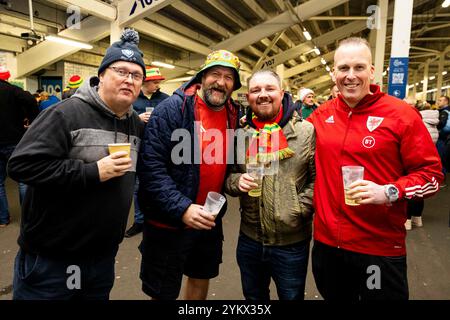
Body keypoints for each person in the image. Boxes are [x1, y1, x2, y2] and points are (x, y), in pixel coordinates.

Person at [7, 28, 145, 300]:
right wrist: (93, 171)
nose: (128, 79)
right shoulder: (65, 114)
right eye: (120, 71)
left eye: (136, 75)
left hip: (102, 258)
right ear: (102, 74)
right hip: (52, 261)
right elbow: (21, 165)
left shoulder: (134, 125)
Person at [307, 37, 443, 300]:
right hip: (327, 246)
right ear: (333, 72)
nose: (350, 76)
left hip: (377, 249)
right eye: (343, 68)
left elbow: (432, 177)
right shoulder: (320, 115)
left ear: (372, 71)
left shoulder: (401, 115)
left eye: (359, 67)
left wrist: (390, 191)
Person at [137, 49, 242, 300]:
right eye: (215, 74)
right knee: (163, 289)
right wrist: (183, 208)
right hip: (169, 219)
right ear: (202, 77)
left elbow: (228, 164)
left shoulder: (232, 114)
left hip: (208, 217)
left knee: (200, 276)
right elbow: (151, 167)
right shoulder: (172, 109)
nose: (221, 82)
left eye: (229, 77)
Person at [224, 70, 315, 300]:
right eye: (256, 90)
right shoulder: (241, 135)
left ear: (281, 93)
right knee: (254, 300)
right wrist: (237, 182)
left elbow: (317, 180)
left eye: (269, 89)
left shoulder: (305, 132)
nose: (262, 95)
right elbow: (228, 176)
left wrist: (299, 209)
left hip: (291, 243)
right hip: (250, 240)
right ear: (249, 96)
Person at [125, 66, 170, 238]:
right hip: (138, 146)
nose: (158, 85)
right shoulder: (132, 98)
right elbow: (120, 117)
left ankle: (159, 218)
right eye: (156, 82)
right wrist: (137, 117)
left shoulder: (166, 99)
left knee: (161, 183)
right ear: (146, 82)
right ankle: (139, 221)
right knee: (137, 187)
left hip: (160, 149)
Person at [0, 67, 38, 227]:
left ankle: (2, 219)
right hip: (14, 141)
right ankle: (28, 218)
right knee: (23, 180)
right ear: (7, 77)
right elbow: (30, 100)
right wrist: (31, 119)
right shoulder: (13, 91)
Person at [404, 102, 440, 230]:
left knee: (408, 190)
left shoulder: (410, 119)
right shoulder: (432, 120)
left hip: (411, 158)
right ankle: (417, 218)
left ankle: (407, 220)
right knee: (419, 189)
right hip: (427, 154)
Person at [436, 95, 450, 186]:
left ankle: (442, 180)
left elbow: (441, 124)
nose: (438, 102)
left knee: (441, 158)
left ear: (446, 102)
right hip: (446, 138)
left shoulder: (444, 112)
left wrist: (434, 123)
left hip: (442, 138)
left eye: (440, 100)